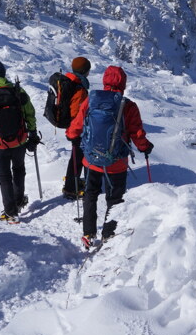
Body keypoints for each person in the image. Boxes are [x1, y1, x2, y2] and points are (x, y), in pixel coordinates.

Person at [67, 65, 153, 247]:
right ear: (123, 83)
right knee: (114, 199)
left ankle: (88, 233)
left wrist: (71, 135)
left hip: (91, 160)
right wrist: (145, 147)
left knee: (90, 194)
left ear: (105, 80)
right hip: (117, 163)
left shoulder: (91, 100)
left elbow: (77, 125)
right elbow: (136, 133)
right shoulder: (128, 105)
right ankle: (109, 234)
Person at [0, 60, 40, 223]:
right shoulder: (18, 91)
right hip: (18, 141)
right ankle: (18, 201)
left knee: (4, 177)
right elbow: (30, 114)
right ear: (3, 74)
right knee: (19, 169)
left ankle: (10, 212)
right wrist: (32, 134)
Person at [60, 57, 91, 200]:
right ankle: (71, 189)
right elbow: (76, 113)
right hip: (77, 130)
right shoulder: (79, 88)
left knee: (77, 156)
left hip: (74, 129)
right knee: (78, 158)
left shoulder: (71, 82)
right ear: (85, 71)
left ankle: (74, 183)